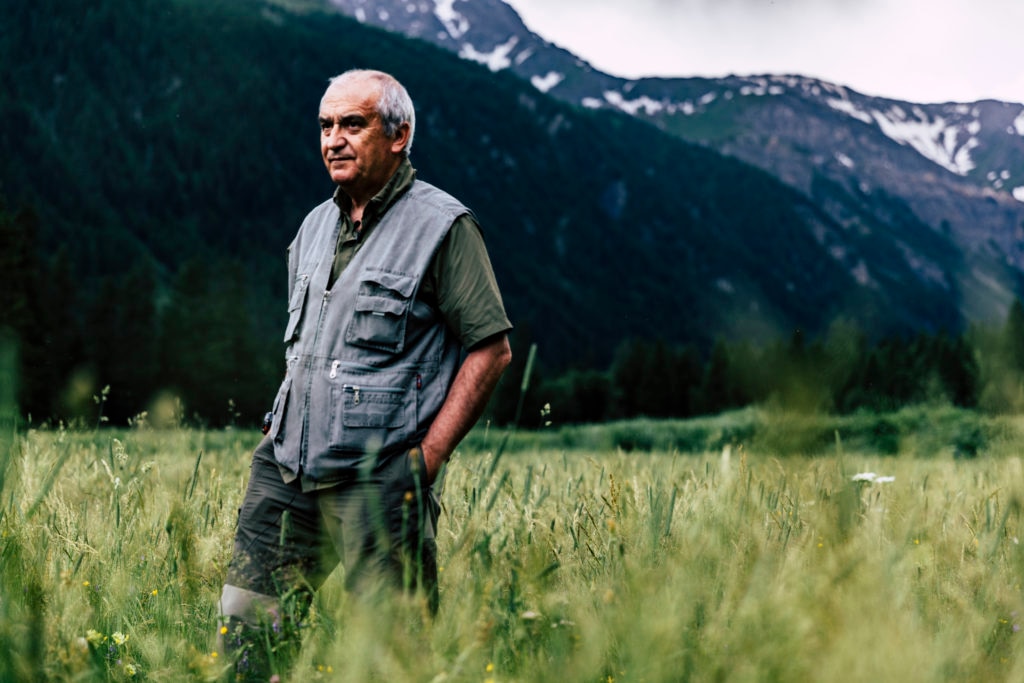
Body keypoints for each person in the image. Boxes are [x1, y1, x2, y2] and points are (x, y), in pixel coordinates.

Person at [217, 68, 512, 678]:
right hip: (285, 473)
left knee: (389, 657)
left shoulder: (444, 227)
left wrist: (424, 462)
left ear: (398, 135)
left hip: (379, 481)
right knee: (247, 638)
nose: (334, 140)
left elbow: (491, 349)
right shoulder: (312, 227)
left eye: (353, 124)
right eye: (325, 126)